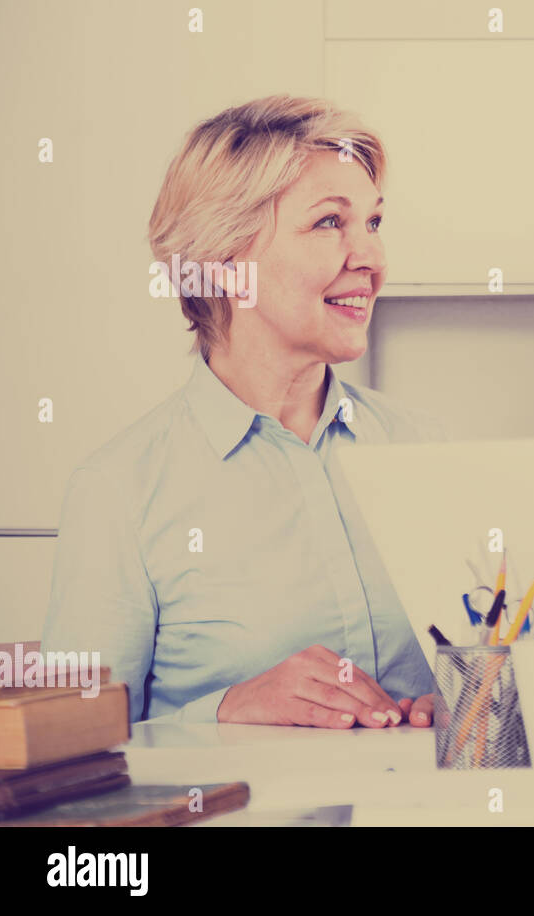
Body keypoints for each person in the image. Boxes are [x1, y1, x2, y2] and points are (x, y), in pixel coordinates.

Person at [43, 96, 441, 728]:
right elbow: (72, 746)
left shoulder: (433, 452)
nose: (371, 258)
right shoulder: (119, 492)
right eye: (329, 223)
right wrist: (225, 710)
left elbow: (514, 677)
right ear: (227, 263)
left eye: (373, 222)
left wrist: (471, 703)